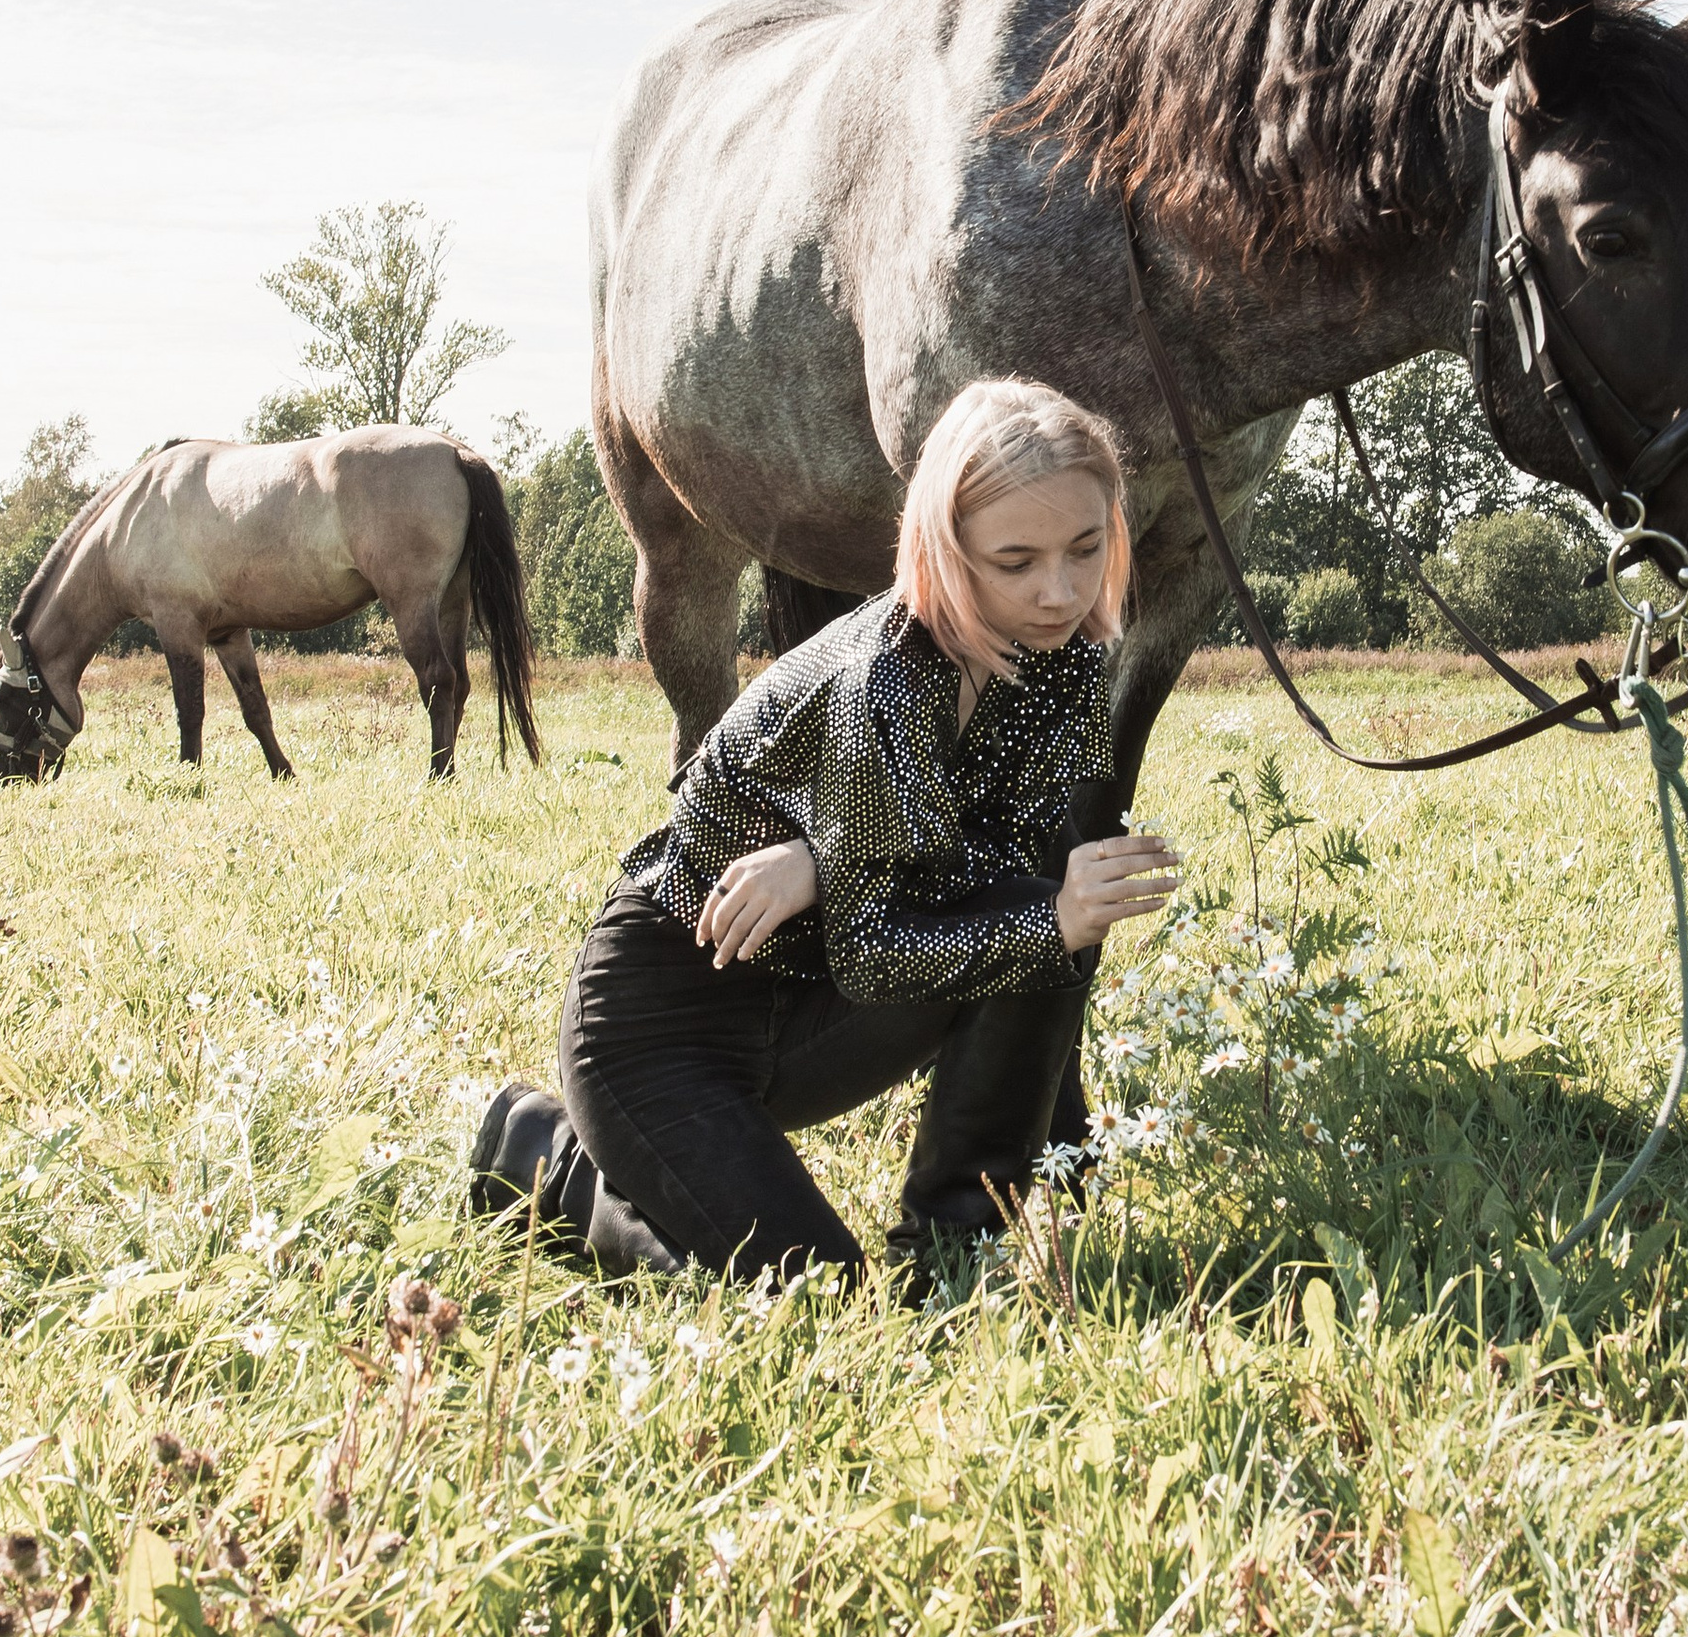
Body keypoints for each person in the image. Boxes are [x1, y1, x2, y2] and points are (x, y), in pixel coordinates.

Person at [469, 377, 1179, 1282]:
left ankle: (956, 1247)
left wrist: (826, 860)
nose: (1060, 590)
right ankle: (550, 1156)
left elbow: (993, 872)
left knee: (1047, 899)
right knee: (809, 1292)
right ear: (946, 549)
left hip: (812, 1002)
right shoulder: (883, 679)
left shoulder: (1068, 666)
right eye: (1016, 561)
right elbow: (880, 953)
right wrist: (1039, 916)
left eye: (1085, 549)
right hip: (666, 1018)